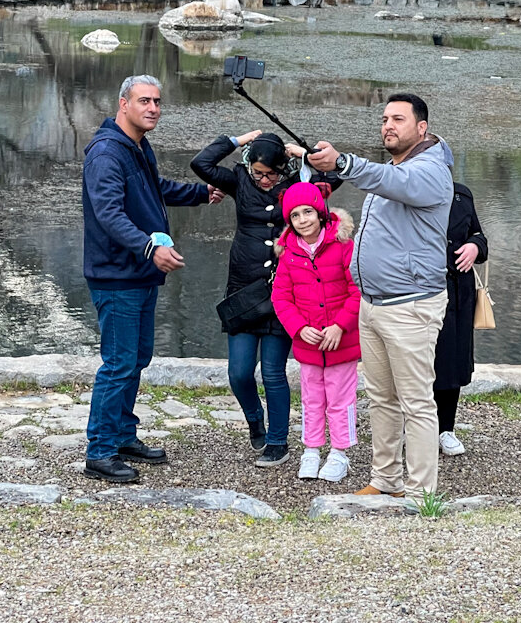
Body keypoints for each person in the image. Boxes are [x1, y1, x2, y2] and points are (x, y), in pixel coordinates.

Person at [308, 94, 454, 500]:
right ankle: (385, 480)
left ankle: (421, 492)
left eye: (398, 119)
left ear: (421, 128)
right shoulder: (395, 165)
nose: (388, 125)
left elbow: (396, 185)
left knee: (417, 403)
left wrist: (344, 164)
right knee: (382, 400)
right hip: (373, 306)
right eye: (385, 118)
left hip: (410, 306)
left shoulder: (429, 170)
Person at [81, 75, 222, 484]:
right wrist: (150, 247)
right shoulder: (107, 153)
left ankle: (123, 436)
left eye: (157, 101)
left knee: (136, 360)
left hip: (139, 275)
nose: (153, 108)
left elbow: (152, 190)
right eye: (144, 101)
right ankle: (100, 451)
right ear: (123, 103)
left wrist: (199, 193)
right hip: (116, 276)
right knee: (119, 364)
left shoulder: (137, 147)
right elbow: (109, 215)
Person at [190, 131, 340, 466]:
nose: (264, 179)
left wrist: (304, 152)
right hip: (243, 290)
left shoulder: (297, 188)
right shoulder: (239, 181)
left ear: (283, 168)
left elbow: (334, 174)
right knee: (239, 373)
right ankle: (254, 418)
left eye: (270, 173)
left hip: (284, 293)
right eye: (258, 172)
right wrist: (236, 140)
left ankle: (277, 442)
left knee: (273, 371)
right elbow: (200, 163)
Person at [271, 182, 360, 483]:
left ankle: (340, 453)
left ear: (320, 212)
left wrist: (340, 325)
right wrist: (299, 328)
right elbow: (281, 298)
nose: (302, 220)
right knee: (311, 399)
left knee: (340, 398)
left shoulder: (344, 246)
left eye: (307, 212)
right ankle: (311, 450)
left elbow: (357, 290)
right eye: (295, 216)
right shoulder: (289, 254)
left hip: (341, 341)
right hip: (309, 342)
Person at [434, 184, 487, 458]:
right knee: (417, 362)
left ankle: (446, 429)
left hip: (457, 294)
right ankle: (414, 427)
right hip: (418, 292)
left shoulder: (462, 195)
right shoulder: (403, 193)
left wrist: (474, 247)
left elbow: (480, 236)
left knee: (452, 362)